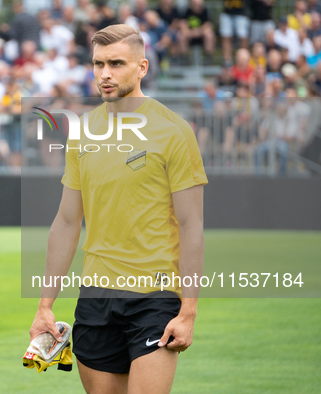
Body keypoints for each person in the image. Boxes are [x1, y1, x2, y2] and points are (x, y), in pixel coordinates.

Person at [29, 24, 207, 394]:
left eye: (116, 63)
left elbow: (192, 226)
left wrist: (188, 311)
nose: (105, 74)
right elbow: (65, 222)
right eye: (98, 64)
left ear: (142, 67)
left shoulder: (173, 131)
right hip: (95, 296)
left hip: (155, 298)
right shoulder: (82, 132)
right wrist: (45, 305)